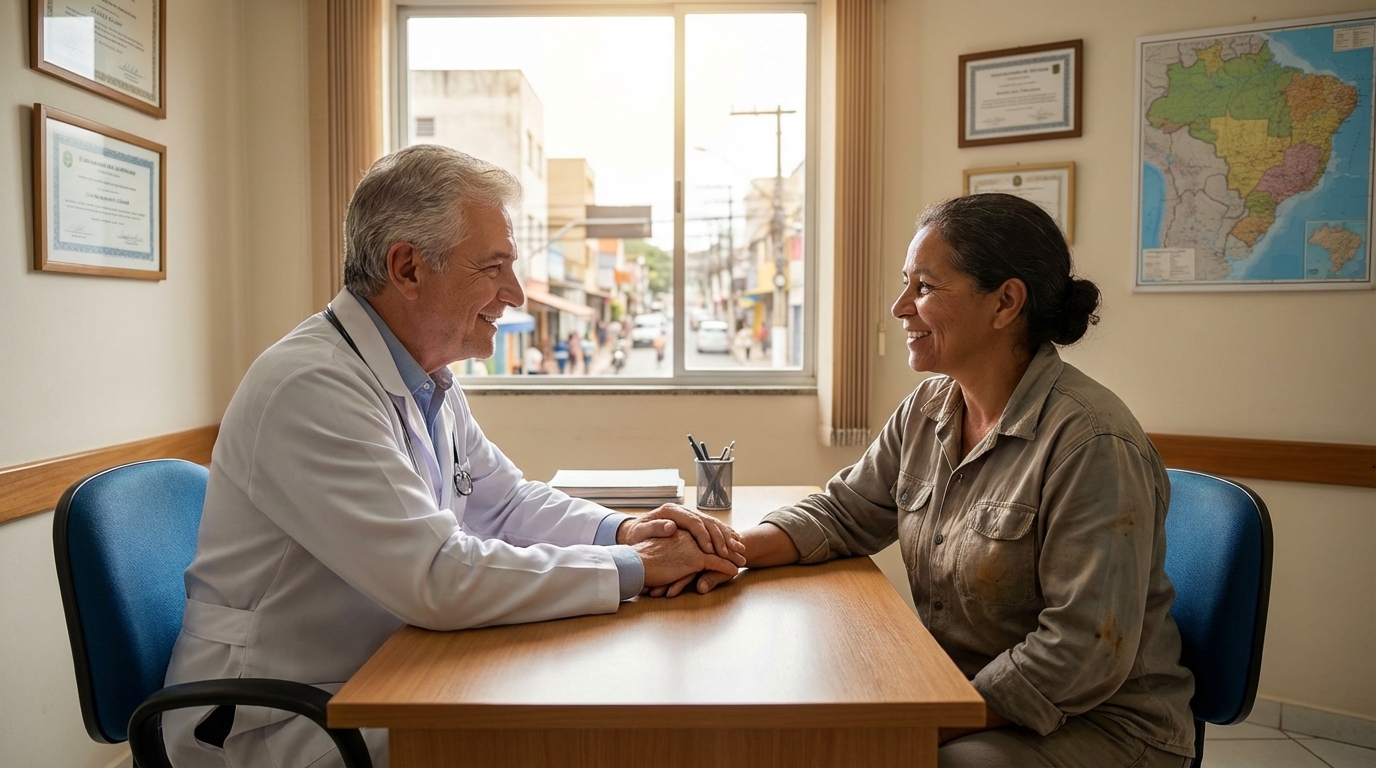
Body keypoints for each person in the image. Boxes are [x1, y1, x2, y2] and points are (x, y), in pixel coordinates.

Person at [163, 145, 745, 768]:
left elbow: (506, 502)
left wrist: (625, 529)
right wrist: (633, 566)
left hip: (382, 672)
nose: (516, 294)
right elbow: (436, 577)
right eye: (493, 267)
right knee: (555, 737)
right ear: (408, 268)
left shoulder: (423, 377)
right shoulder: (310, 386)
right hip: (280, 716)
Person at [695, 194, 1196, 767]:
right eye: (905, 284)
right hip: (969, 692)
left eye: (925, 288)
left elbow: (1081, 653)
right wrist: (724, 551)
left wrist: (929, 720)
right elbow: (844, 512)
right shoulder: (930, 406)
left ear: (1006, 302)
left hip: (1103, 725)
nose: (899, 307)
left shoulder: (1091, 443)